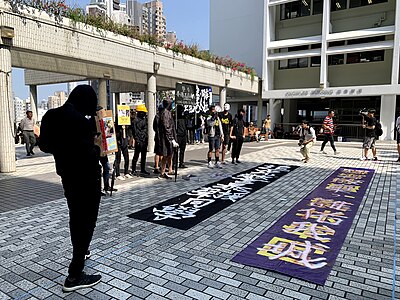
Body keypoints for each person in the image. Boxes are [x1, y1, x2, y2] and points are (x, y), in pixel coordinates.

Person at [39, 85, 102, 292]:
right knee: (87, 221)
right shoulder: (80, 123)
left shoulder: (50, 116)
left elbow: (45, 146)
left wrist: (63, 148)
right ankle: (75, 275)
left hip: (67, 176)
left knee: (75, 217)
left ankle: (81, 252)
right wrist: (97, 148)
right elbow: (89, 155)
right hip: (88, 178)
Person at [157, 99, 179, 179]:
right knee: (165, 155)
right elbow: (167, 127)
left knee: (168, 155)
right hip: (166, 139)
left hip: (167, 137)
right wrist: (172, 139)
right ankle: (162, 172)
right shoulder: (165, 113)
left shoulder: (167, 112)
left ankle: (165, 171)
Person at [131, 104, 149, 176]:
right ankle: (133, 169)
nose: (144, 113)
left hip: (144, 140)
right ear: (140, 112)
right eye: (143, 112)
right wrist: (137, 140)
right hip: (139, 140)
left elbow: (146, 130)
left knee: (144, 155)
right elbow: (134, 132)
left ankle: (143, 169)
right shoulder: (135, 121)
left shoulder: (145, 120)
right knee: (136, 155)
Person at [153, 105, 163, 174]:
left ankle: (156, 167)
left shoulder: (156, 117)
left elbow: (154, 127)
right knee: (162, 152)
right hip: (162, 137)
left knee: (157, 152)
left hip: (157, 136)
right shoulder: (162, 117)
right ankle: (162, 166)